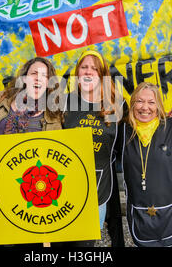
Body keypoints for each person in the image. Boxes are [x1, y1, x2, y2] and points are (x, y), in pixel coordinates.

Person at [0, 57, 63, 247]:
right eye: (33, 73)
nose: (38, 78)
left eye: (44, 75)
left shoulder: (55, 114)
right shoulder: (3, 99)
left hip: (29, 197)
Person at [61, 50, 125, 246]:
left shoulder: (117, 105)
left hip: (99, 187)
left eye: (95, 69)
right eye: (84, 67)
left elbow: (134, 134)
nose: (89, 72)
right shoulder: (63, 102)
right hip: (65, 186)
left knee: (84, 245)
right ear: (77, 72)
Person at [120, 82, 172, 247]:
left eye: (151, 102)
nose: (145, 107)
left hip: (170, 211)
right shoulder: (123, 132)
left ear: (159, 106)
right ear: (133, 103)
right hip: (139, 211)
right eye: (140, 101)